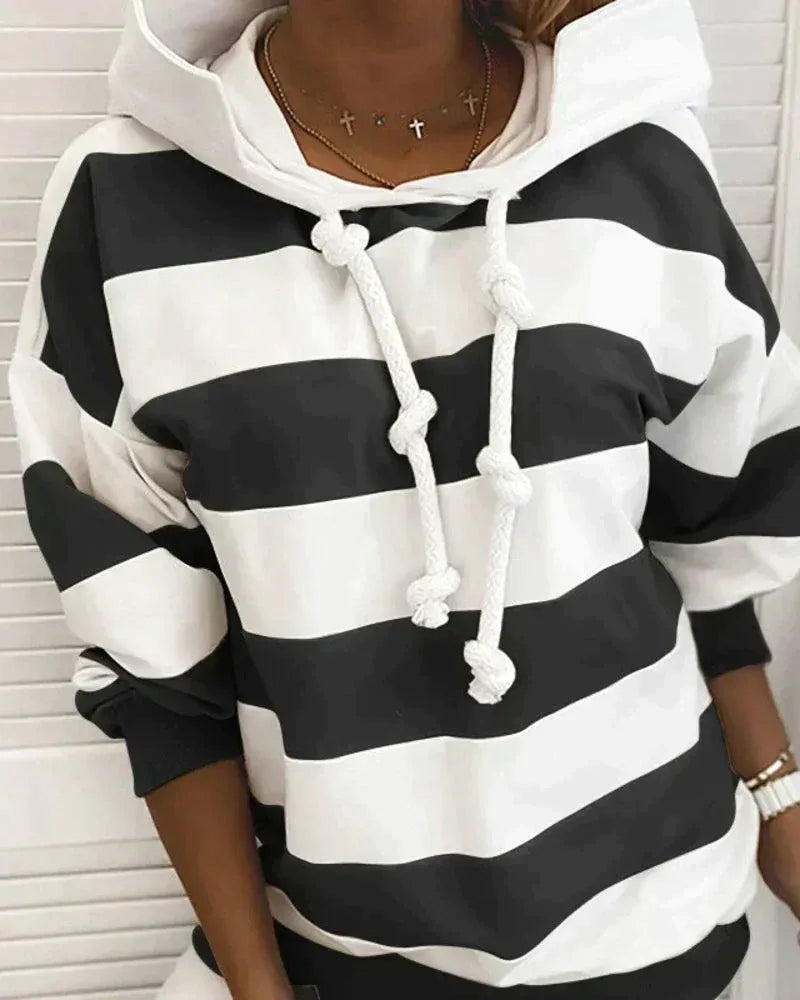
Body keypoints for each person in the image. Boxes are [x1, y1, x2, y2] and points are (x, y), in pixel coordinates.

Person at [9, 0, 800, 997]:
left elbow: (707, 537)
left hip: (669, 927)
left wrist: (779, 804)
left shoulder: (640, 153)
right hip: (338, 956)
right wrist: (257, 984)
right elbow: (151, 660)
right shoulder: (123, 198)